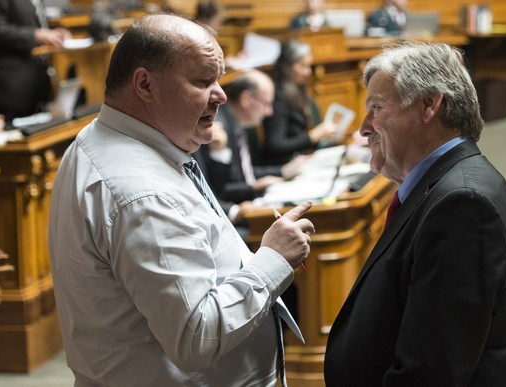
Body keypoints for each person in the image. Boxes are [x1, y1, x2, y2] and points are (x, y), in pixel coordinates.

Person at [48, 14, 315, 386]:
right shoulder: (140, 192)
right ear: (145, 84)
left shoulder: (114, 141)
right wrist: (273, 259)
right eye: (203, 81)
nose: (221, 94)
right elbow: (196, 338)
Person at [324, 41, 506, 386]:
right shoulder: (442, 189)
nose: (363, 127)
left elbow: (428, 375)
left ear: (428, 105)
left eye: (375, 108)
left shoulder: (464, 205)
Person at [196, 69, 306, 225]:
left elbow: (241, 171)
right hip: (230, 213)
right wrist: (252, 188)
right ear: (246, 99)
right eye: (267, 103)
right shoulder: (217, 128)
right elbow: (219, 188)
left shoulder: (235, 122)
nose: (269, 112)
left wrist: (282, 171)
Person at [262, 39, 338, 165]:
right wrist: (312, 136)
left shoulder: (298, 88)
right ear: (287, 66)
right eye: (303, 66)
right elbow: (276, 144)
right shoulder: (276, 96)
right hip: (284, 164)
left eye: (309, 66)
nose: (308, 72)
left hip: (303, 158)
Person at [0, 0, 71, 121]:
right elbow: (0, 30)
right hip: (12, 85)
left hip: (38, 80)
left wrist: (55, 33)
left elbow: (35, 24)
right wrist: (35, 35)